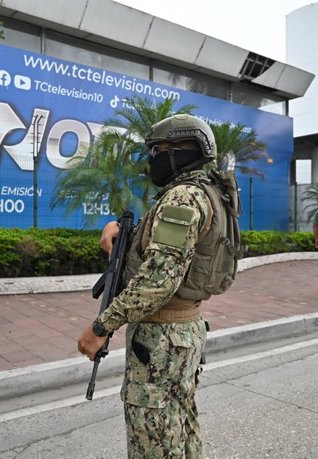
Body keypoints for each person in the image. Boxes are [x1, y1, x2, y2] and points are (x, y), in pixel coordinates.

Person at [78, 114, 224, 458]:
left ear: (180, 151)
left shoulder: (182, 199)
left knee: (153, 441)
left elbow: (160, 279)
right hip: (183, 330)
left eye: (157, 150)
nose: (151, 159)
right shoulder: (205, 191)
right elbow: (169, 259)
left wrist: (102, 325)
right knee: (179, 426)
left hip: (161, 339)